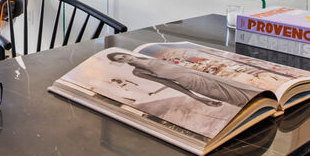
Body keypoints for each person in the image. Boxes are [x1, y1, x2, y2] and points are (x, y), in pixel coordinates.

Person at [106, 51, 250, 108]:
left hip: (205, 75)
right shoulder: (138, 72)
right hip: (196, 84)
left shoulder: (151, 57)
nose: (125, 58)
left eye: (123, 55)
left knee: (245, 89)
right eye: (120, 59)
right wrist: (197, 98)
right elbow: (168, 83)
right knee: (236, 99)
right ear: (120, 62)